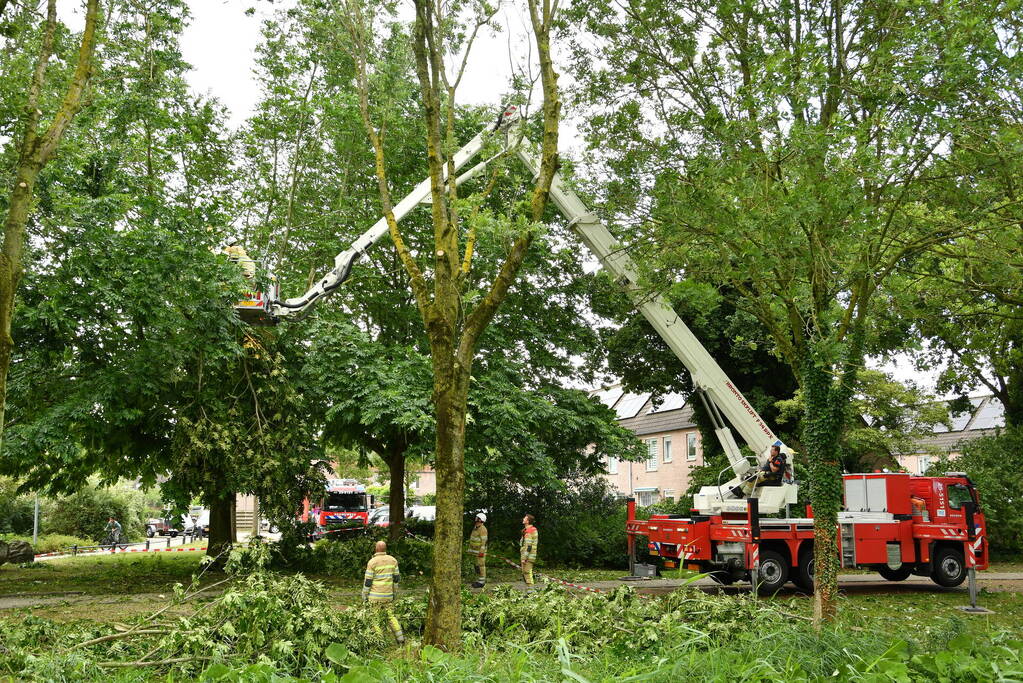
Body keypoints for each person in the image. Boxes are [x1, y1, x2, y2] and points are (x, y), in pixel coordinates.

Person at [362, 540, 404, 645]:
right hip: (388, 596)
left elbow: (368, 581)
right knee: (390, 616)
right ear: (385, 549)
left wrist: (364, 594)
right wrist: (394, 592)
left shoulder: (372, 562)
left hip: (374, 597)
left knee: (374, 618)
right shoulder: (393, 560)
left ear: (376, 549)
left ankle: (379, 642)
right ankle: (401, 640)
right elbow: (396, 579)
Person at [468, 513, 488, 588]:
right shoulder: (476, 527)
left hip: (480, 552)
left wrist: (482, 552)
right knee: (477, 567)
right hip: (475, 552)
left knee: (481, 566)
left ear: (480, 519)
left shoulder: (483, 529)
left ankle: (482, 582)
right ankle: (479, 580)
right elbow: (473, 540)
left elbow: (484, 542)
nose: (475, 518)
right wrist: (470, 550)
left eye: (477, 517)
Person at [520, 514, 538, 587]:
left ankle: (531, 593)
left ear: (527, 521)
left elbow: (528, 546)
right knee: (525, 573)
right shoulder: (528, 530)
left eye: (525, 518)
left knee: (527, 572)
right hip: (528, 555)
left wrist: (524, 558)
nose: (523, 519)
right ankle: (529, 592)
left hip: (528, 556)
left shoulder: (529, 531)